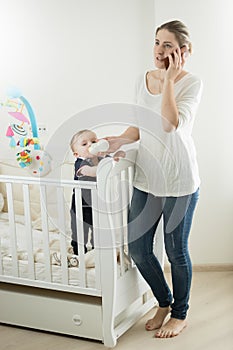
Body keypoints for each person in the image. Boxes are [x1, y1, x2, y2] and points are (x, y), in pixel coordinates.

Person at [104, 20, 203, 338]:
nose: (159, 50)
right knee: (139, 248)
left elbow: (170, 124)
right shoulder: (142, 79)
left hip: (179, 181)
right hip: (147, 177)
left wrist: (170, 80)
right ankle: (164, 301)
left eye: (168, 45)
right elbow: (139, 125)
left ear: (183, 51)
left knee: (176, 251)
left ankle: (180, 313)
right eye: (157, 42)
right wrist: (117, 141)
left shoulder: (192, 83)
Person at [70, 129, 125, 255]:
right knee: (79, 232)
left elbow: (116, 159)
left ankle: (96, 253)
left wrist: (118, 155)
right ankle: (79, 253)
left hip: (98, 204)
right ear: (76, 154)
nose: (90, 145)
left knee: (98, 231)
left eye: (93, 141)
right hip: (80, 206)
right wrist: (109, 163)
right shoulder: (81, 163)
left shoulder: (102, 158)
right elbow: (92, 171)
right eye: (84, 144)